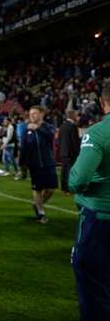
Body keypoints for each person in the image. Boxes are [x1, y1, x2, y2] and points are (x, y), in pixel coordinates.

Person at [69, 80, 110, 321]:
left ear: (103, 103)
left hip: (101, 220)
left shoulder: (98, 132)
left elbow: (78, 178)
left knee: (95, 286)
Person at [19, 105, 58, 223]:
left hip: (48, 162)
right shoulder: (26, 130)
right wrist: (22, 165)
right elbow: (23, 147)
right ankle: (41, 213)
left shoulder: (48, 127)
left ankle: (37, 204)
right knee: (37, 189)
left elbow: (51, 136)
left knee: (51, 189)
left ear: (42, 114)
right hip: (34, 164)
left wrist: (37, 128)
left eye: (34, 113)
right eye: (30, 114)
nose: (32, 116)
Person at [59, 110, 80, 194]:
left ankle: (64, 188)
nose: (77, 117)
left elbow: (59, 139)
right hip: (71, 152)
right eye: (76, 115)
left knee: (64, 171)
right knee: (69, 171)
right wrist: (78, 152)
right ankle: (68, 189)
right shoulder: (72, 126)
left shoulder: (62, 125)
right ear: (72, 116)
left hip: (63, 151)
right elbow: (74, 141)